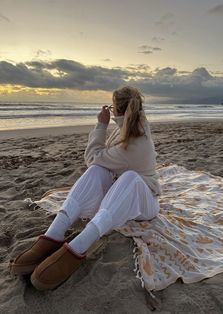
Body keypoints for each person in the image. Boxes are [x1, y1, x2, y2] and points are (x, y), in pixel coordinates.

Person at [9, 85, 162, 291]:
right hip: (120, 193)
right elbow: (97, 165)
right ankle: (54, 234)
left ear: (116, 110)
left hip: (146, 205)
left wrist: (100, 125)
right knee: (96, 172)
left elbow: (92, 157)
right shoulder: (130, 125)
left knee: (129, 177)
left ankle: (79, 245)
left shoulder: (135, 141)